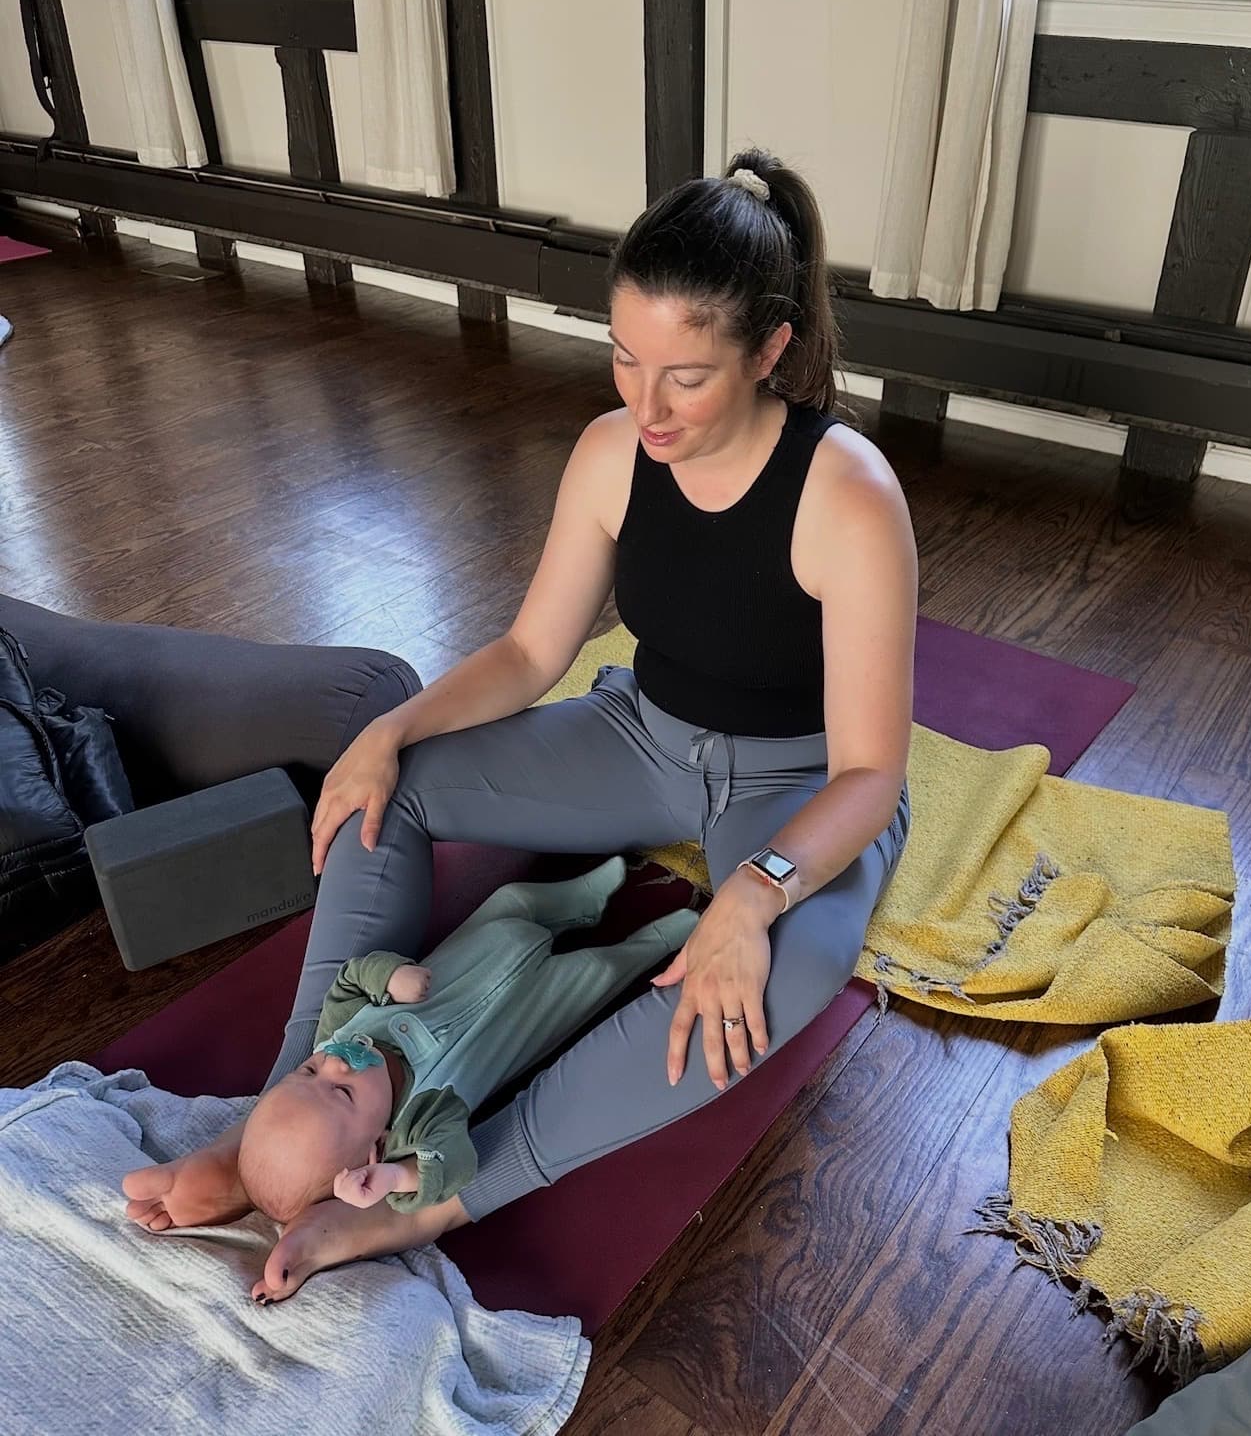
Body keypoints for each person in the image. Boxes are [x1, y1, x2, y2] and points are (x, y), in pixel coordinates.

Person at [123, 147, 918, 1304]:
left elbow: (870, 770)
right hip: (643, 734)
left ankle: (437, 1196)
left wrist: (755, 893)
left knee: (785, 968)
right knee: (380, 794)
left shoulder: (848, 492)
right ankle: (288, 1123)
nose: (645, 407)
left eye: (685, 378)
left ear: (771, 349)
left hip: (794, 784)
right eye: (623, 359)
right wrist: (389, 732)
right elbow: (531, 653)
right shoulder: (612, 453)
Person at [127, 861, 693, 1247]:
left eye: (308, 1070)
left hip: (484, 946)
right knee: (596, 973)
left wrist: (389, 976)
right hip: (536, 1007)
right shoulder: (422, 1118)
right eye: (342, 1091)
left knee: (514, 900)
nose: (335, 1062)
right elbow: (453, 1164)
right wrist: (398, 1180)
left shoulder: (340, 1036)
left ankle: (579, 902)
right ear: (375, 1146)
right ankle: (655, 944)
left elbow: (347, 982)